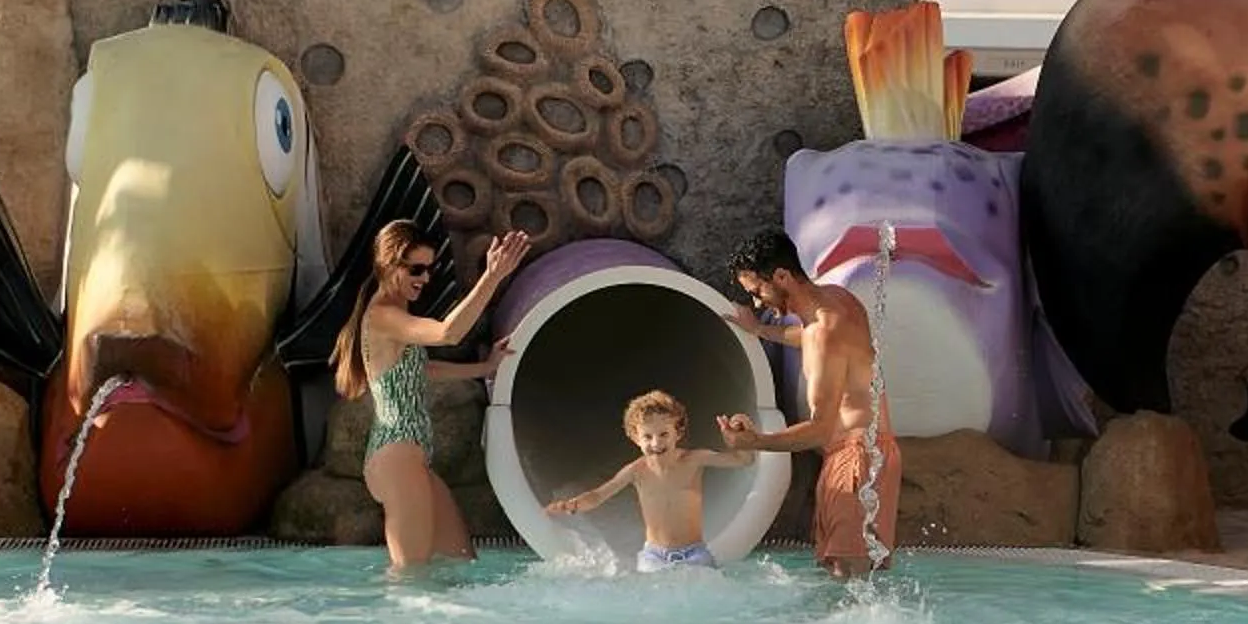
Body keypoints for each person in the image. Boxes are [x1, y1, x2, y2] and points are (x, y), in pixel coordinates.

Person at [331, 219, 528, 572]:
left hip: (411, 459)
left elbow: (423, 370)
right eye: (416, 268)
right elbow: (448, 334)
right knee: (411, 574)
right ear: (390, 263)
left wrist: (484, 369)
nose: (425, 278)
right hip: (395, 459)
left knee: (461, 562)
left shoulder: (396, 316)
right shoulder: (382, 316)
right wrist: (492, 277)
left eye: (429, 269)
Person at [715, 227, 901, 579]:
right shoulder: (838, 302)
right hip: (871, 453)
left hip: (855, 460)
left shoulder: (824, 331)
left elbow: (819, 430)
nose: (757, 303)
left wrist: (756, 442)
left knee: (849, 581)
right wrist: (761, 331)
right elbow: (813, 338)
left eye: (757, 291)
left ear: (782, 276)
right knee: (857, 581)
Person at [545, 389, 749, 571]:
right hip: (655, 556)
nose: (656, 442)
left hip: (694, 553)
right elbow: (599, 495)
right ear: (635, 438)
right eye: (647, 436)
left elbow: (743, 461)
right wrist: (571, 505)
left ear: (677, 432)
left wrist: (740, 437)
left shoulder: (694, 460)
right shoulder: (637, 470)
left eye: (663, 434)